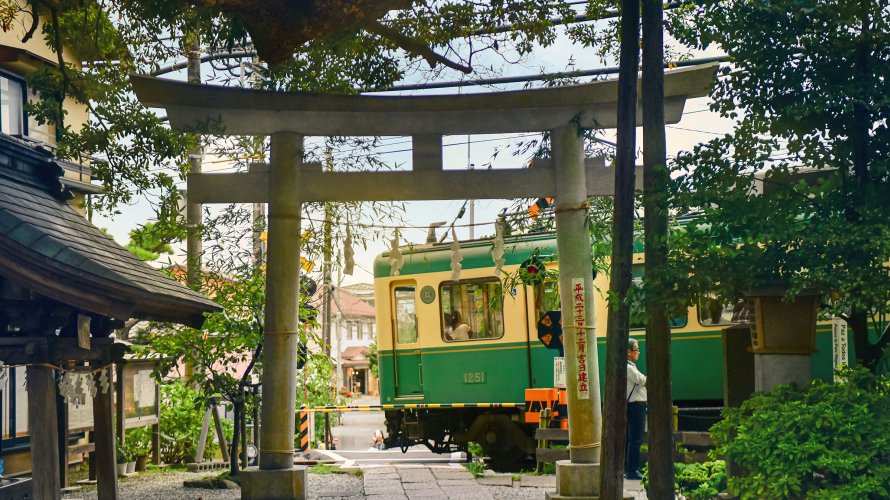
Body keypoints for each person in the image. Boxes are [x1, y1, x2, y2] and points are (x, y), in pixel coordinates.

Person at [626, 338, 648, 480]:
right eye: (636, 349)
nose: (638, 352)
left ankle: (632, 468)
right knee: (635, 439)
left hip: (635, 406)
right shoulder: (629, 368)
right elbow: (645, 381)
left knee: (633, 439)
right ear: (629, 352)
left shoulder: (631, 366)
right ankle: (632, 470)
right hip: (636, 406)